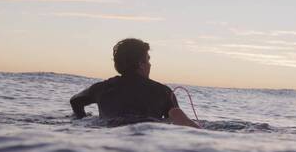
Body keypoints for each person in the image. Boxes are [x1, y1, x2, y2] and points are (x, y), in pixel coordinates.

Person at [70, 38, 199, 128]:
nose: (150, 64)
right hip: (146, 131)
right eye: (148, 60)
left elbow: (75, 101)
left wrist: (82, 119)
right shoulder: (163, 92)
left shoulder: (101, 88)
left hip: (109, 130)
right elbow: (179, 123)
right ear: (141, 64)